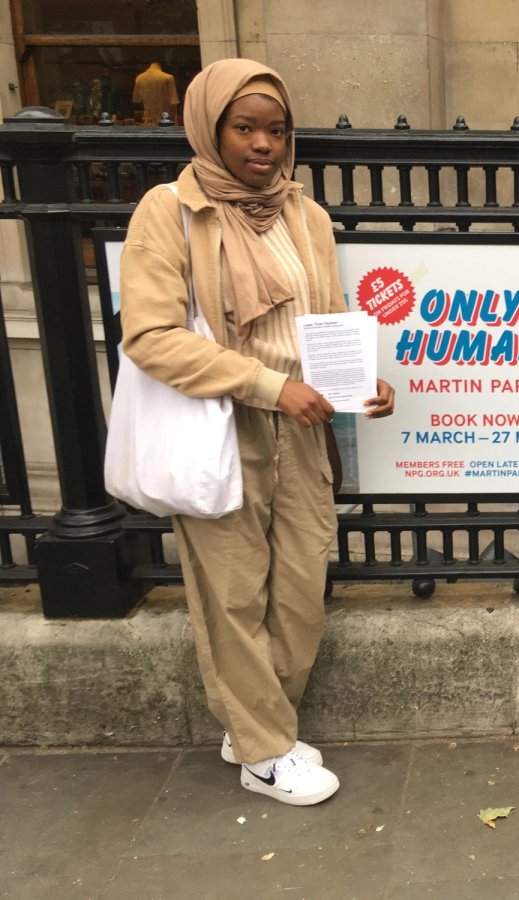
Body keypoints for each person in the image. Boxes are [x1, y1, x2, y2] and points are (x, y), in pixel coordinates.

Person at [120, 59, 396, 806]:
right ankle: (265, 750)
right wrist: (271, 385)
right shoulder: (168, 210)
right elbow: (149, 336)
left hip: (303, 428)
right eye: (244, 127)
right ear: (211, 128)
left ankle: (255, 722)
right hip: (222, 422)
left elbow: (326, 321)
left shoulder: (306, 215)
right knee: (234, 594)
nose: (264, 145)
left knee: (303, 587)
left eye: (276, 129)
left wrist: (357, 382)